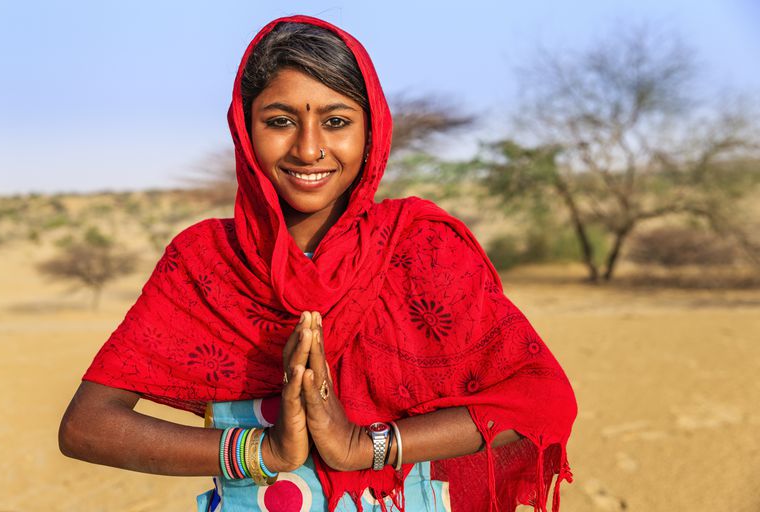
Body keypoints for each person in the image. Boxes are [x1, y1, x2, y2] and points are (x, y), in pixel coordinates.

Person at [59, 15, 577, 512]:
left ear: (371, 131)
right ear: (245, 128)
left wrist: (360, 445)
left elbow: (542, 402)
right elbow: (86, 426)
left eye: (336, 122)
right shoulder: (205, 262)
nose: (309, 149)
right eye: (280, 121)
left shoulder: (420, 248)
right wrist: (265, 450)